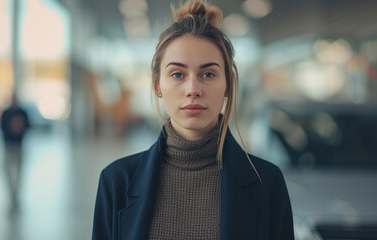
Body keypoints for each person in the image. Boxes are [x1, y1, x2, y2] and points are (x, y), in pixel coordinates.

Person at [92, 1, 294, 239]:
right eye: (177, 74)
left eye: (208, 74)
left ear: (228, 85)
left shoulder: (267, 183)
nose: (193, 89)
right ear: (158, 86)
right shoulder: (116, 181)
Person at [0, 93, 30, 213]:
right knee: (7, 174)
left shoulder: (22, 112)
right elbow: (1, 127)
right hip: (8, 146)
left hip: (19, 146)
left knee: (19, 174)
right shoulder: (6, 113)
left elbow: (28, 126)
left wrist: (20, 128)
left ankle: (16, 198)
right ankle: (11, 198)